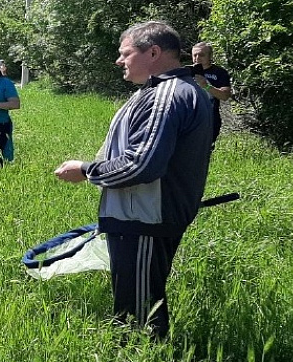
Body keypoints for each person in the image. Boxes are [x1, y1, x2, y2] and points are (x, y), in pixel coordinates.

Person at [54, 20, 212, 339]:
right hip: (136, 216)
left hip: (144, 218)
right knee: (133, 300)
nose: (119, 60)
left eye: (125, 53)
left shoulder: (167, 95)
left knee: (139, 315)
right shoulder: (155, 91)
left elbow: (142, 166)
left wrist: (85, 170)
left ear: (153, 52)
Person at [190, 42, 232, 145]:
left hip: (210, 119)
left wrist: (205, 85)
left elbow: (225, 96)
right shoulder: (186, 72)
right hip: (189, 118)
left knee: (205, 151)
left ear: (210, 56)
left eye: (202, 55)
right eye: (195, 55)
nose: (197, 58)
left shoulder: (219, 72)